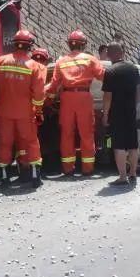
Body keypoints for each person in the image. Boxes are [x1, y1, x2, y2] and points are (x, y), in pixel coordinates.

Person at [0, 30, 46, 188]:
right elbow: (39, 93)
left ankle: (4, 177)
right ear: (30, 46)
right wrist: (38, 110)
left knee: (4, 143)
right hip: (25, 113)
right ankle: (34, 176)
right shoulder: (34, 66)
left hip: (4, 112)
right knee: (31, 142)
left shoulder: (2, 61)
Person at [45, 30, 105, 176]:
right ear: (83, 45)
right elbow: (104, 76)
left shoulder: (61, 61)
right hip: (84, 97)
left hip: (66, 98)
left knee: (66, 134)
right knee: (87, 134)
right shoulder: (90, 59)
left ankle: (68, 169)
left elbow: (53, 85)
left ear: (69, 45)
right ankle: (87, 169)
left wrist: (44, 95)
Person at [101, 42, 140, 186]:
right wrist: (134, 107)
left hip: (116, 113)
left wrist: (105, 115)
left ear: (109, 54)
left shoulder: (110, 71)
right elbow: (138, 91)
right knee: (132, 144)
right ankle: (133, 173)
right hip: (130, 111)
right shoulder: (133, 68)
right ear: (122, 53)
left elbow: (107, 97)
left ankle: (123, 177)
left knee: (119, 145)